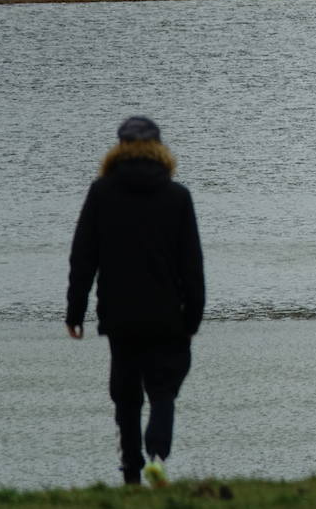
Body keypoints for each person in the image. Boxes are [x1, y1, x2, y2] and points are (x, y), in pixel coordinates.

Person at [66, 116, 206, 488]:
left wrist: (74, 312)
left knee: (125, 395)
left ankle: (131, 471)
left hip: (119, 314)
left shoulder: (101, 193)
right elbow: (192, 265)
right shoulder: (178, 197)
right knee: (163, 390)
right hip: (167, 316)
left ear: (118, 148)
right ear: (160, 149)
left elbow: (83, 258)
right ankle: (157, 457)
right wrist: (193, 318)